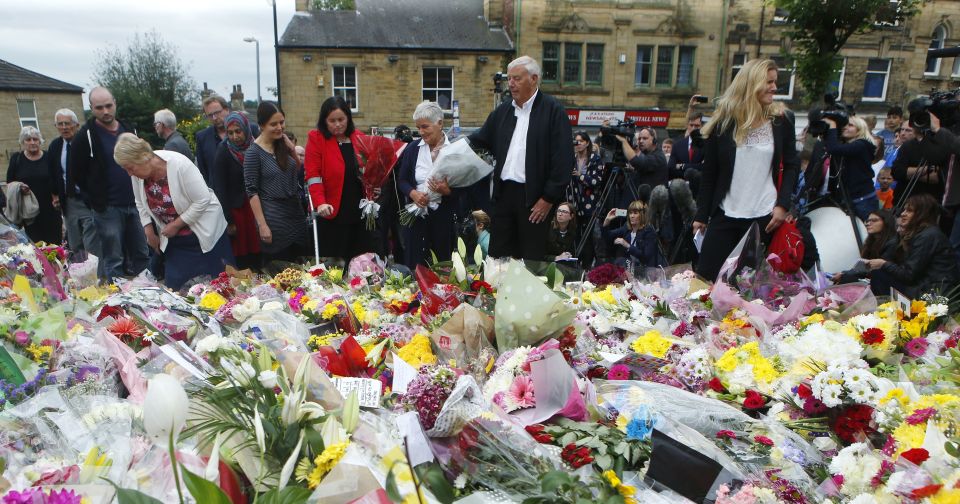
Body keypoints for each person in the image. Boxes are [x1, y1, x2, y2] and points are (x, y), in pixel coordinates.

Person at [692, 58, 799, 282]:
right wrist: (701, 215)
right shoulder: (724, 123)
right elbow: (710, 172)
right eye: (769, 82)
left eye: (775, 82)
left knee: (747, 287)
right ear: (751, 84)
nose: (774, 87)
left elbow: (791, 165)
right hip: (725, 212)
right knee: (704, 281)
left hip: (764, 217)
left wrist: (782, 205)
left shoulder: (782, 120)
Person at [467, 55, 573, 261]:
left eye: (517, 78)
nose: (511, 84)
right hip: (504, 194)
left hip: (535, 198)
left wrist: (548, 199)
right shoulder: (504, 110)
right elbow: (479, 139)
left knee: (531, 259)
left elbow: (563, 160)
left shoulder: (553, 111)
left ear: (534, 79)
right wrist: (447, 150)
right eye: (509, 79)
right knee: (498, 257)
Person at [113, 133, 233, 290]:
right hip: (174, 239)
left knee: (214, 287)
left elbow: (202, 200)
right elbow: (139, 202)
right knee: (176, 288)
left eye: (130, 168)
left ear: (142, 158)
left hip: (204, 234)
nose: (129, 173)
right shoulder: (137, 173)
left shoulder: (179, 165)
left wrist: (176, 224)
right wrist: (148, 229)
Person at [69, 87, 149, 279]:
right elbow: (76, 174)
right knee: (113, 257)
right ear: (91, 108)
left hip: (135, 203)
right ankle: (116, 303)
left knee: (142, 252)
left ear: (115, 103)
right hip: (107, 208)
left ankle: (148, 293)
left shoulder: (129, 129)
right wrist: (95, 202)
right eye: (99, 108)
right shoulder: (85, 136)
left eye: (108, 106)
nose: (105, 111)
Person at [305, 96, 375, 263]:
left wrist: (374, 187)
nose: (337, 124)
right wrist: (320, 202)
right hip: (331, 211)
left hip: (359, 210)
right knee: (334, 264)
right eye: (332, 120)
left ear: (348, 118)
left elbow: (371, 170)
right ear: (324, 121)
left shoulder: (359, 137)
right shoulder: (316, 138)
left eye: (341, 119)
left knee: (361, 262)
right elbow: (313, 175)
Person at [244, 102, 310, 263]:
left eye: (281, 122)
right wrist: (262, 225)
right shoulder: (253, 153)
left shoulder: (282, 143)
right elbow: (252, 192)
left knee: (303, 266)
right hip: (273, 217)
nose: (279, 127)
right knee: (278, 268)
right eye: (273, 124)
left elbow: (295, 170)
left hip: (295, 213)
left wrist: (292, 150)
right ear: (261, 125)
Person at [395, 101, 456, 269]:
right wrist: (413, 194)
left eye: (425, 127)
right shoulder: (412, 149)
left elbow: (463, 189)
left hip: (442, 219)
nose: (421, 132)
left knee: (441, 267)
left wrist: (447, 191)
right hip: (415, 219)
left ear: (440, 123)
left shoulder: (455, 150)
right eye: (418, 127)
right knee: (415, 268)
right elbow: (402, 180)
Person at [864, 194, 959, 298]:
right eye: (904, 210)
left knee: (879, 275)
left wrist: (884, 264)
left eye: (909, 211)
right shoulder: (922, 233)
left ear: (922, 214)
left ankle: (891, 311)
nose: (903, 214)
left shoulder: (927, 236)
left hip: (933, 292)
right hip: (927, 286)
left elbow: (908, 275)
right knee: (878, 274)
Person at [211, 111, 262, 270]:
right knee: (241, 251)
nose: (234, 136)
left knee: (260, 248)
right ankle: (245, 285)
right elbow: (219, 187)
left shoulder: (256, 147)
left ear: (246, 130)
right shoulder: (224, 150)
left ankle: (262, 281)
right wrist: (228, 220)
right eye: (230, 133)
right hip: (237, 209)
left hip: (257, 205)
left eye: (238, 131)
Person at [48, 108, 98, 255]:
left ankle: (97, 272)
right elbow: (53, 173)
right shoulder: (55, 146)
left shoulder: (87, 143)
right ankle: (80, 272)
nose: (64, 127)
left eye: (67, 123)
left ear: (76, 125)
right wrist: (55, 195)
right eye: (60, 124)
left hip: (87, 200)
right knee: (75, 242)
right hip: (68, 200)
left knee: (92, 241)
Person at [7, 126, 61, 244]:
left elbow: (58, 179)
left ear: (40, 141)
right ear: (22, 142)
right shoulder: (17, 159)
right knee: (36, 246)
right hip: (29, 212)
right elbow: (9, 183)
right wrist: (19, 187)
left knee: (55, 244)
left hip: (51, 209)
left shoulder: (49, 157)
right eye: (28, 139)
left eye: (35, 139)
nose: (32, 142)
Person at [822, 116, 879, 221]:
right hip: (851, 198)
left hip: (862, 199)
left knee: (865, 233)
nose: (845, 127)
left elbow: (833, 149)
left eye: (850, 125)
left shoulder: (862, 145)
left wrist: (833, 126)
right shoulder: (848, 147)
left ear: (860, 129)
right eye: (844, 125)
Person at [832, 209, 898, 292]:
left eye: (874, 220)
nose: (868, 223)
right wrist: (844, 274)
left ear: (886, 222)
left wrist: (845, 275)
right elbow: (864, 267)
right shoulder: (871, 242)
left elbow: (872, 267)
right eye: (867, 221)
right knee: (844, 280)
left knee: (846, 280)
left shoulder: (892, 243)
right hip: (875, 280)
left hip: (886, 285)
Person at [568, 130, 604, 265]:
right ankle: (575, 262)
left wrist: (580, 176)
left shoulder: (595, 158)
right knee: (575, 233)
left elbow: (597, 181)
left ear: (587, 143)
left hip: (589, 202)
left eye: (581, 141)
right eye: (576, 141)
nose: (578, 144)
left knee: (588, 236)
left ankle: (587, 264)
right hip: (574, 201)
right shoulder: (571, 158)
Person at [892, 119, 943, 206]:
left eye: (908, 130)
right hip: (902, 200)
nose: (903, 133)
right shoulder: (905, 147)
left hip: (928, 202)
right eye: (902, 129)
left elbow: (936, 177)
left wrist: (908, 173)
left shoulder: (938, 148)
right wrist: (926, 169)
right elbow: (897, 172)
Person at [602, 200, 660, 270]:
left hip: (646, 271)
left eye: (635, 213)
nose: (632, 216)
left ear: (642, 215)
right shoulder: (626, 228)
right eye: (630, 213)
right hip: (630, 269)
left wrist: (627, 245)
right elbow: (607, 236)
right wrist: (607, 220)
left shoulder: (649, 231)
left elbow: (646, 256)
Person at [668, 111, 705, 182]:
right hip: (681, 186)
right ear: (688, 126)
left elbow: (706, 167)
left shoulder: (707, 145)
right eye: (691, 125)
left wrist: (683, 166)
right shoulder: (677, 145)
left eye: (697, 126)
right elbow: (671, 168)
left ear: (702, 126)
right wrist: (697, 166)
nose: (693, 128)